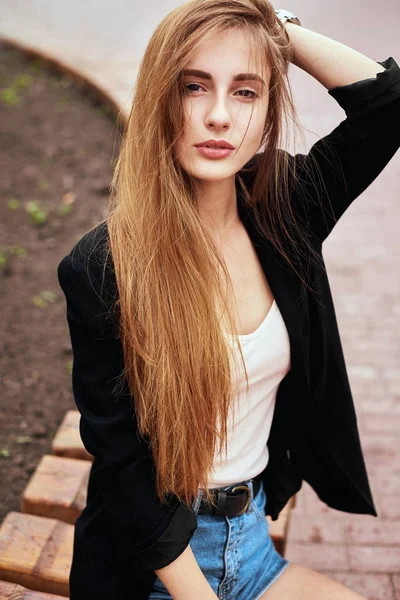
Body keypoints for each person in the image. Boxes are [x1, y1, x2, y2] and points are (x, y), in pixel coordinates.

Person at [57, 0, 400, 598]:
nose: (218, 115)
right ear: (162, 102)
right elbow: (125, 471)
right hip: (156, 568)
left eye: (246, 92)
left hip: (252, 543)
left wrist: (277, 31)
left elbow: (390, 105)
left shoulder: (285, 211)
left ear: (268, 113)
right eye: (194, 87)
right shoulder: (105, 268)